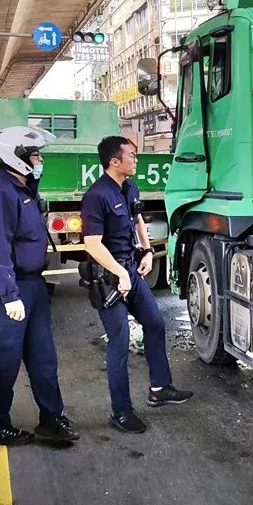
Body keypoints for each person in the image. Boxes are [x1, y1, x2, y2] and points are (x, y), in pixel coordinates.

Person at [0, 125, 79, 446]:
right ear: (15, 157)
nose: (39, 159)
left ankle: (51, 418)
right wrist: (8, 295)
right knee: (5, 358)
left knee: (43, 356)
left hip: (31, 285)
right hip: (3, 288)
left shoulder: (25, 189)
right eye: (34, 155)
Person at [81, 136, 193, 433]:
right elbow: (92, 244)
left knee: (155, 323)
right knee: (118, 342)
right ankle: (121, 412)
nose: (136, 160)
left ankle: (159, 388)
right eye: (132, 155)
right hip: (109, 277)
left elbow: (137, 217)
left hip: (129, 269)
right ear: (114, 162)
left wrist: (145, 251)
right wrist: (120, 273)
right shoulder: (97, 196)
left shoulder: (129, 186)